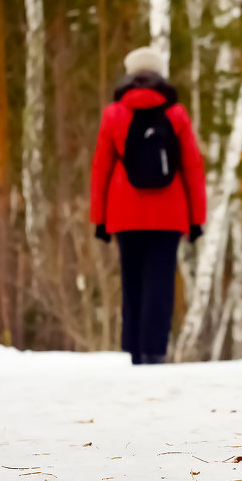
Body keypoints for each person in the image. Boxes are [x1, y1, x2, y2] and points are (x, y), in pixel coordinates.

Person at [90, 47, 206, 364]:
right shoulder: (177, 114)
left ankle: (134, 352)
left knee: (132, 282)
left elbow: (101, 168)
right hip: (170, 214)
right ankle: (155, 351)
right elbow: (193, 168)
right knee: (161, 283)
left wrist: (99, 219)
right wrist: (197, 220)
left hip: (124, 214)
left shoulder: (114, 114)